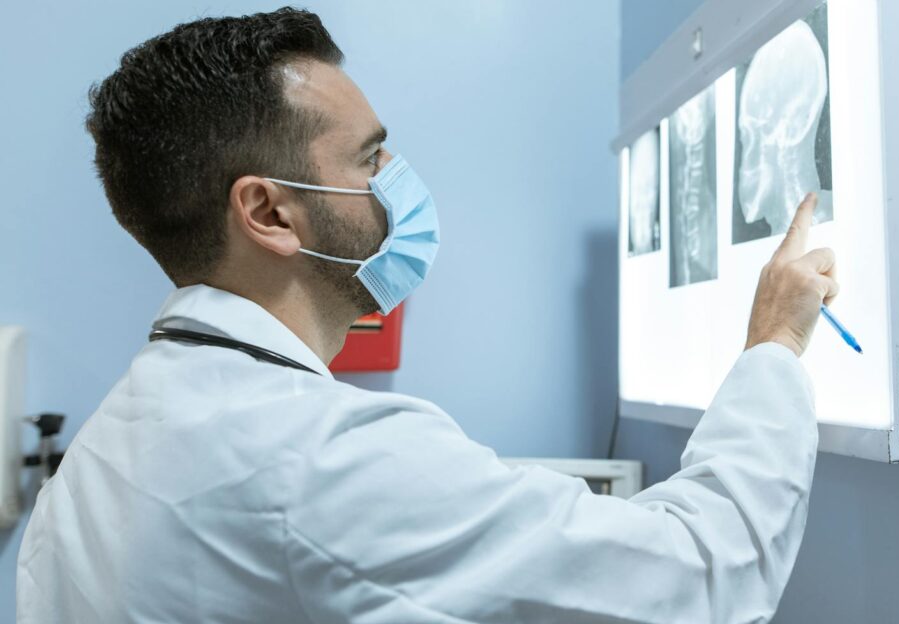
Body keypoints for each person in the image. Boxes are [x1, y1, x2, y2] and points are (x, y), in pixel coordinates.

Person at [16, 8, 838, 623]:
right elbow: (700, 574)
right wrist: (774, 344)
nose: (398, 180)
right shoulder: (317, 461)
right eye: (370, 157)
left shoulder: (92, 467)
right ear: (269, 213)